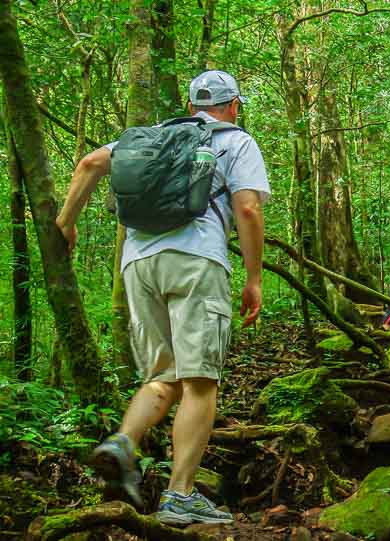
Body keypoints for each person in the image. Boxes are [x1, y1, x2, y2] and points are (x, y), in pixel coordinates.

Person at [55, 70, 270, 526]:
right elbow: (248, 208)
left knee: (163, 375)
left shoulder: (152, 137)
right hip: (197, 262)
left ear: (191, 107)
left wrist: (66, 221)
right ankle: (180, 495)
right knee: (199, 380)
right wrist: (254, 278)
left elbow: (90, 164)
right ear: (233, 106)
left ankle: (123, 442)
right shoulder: (235, 141)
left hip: (138, 263)